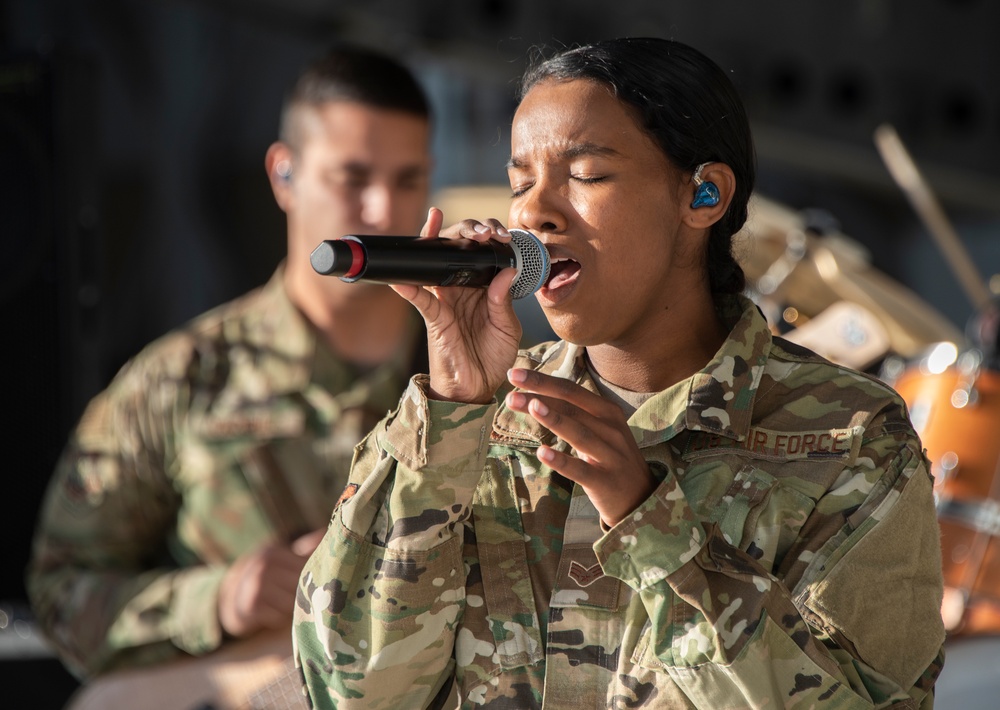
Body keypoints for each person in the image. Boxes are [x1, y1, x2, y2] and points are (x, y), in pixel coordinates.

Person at [292, 37, 947, 709]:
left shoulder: (849, 438)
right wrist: (452, 412)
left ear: (703, 193)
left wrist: (651, 524)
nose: (533, 212)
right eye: (521, 182)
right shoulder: (470, 417)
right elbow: (348, 691)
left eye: (586, 175)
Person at [26, 44, 433, 688]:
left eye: (408, 179)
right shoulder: (183, 380)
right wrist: (217, 600)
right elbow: (60, 592)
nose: (384, 211)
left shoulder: (473, 376)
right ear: (284, 175)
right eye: (353, 178)